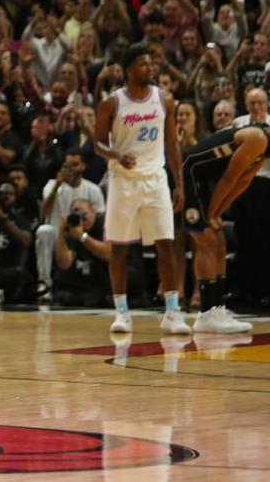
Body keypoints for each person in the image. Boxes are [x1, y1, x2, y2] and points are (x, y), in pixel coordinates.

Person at [93, 46, 189, 334]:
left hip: (156, 179)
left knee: (166, 244)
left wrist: (179, 184)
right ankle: (122, 312)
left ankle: (172, 312)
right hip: (123, 180)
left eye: (151, 64)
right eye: (143, 64)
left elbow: (172, 144)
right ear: (128, 69)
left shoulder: (164, 99)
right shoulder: (112, 103)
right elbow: (97, 143)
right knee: (120, 248)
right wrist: (116, 155)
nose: (150, 69)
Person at [181, 119, 270, 332]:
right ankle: (206, 314)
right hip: (186, 175)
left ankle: (216, 309)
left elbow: (242, 182)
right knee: (208, 241)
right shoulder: (257, 138)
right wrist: (211, 213)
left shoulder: (263, 149)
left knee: (219, 241)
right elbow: (228, 178)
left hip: (199, 181)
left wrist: (217, 212)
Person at [229, 88, 270, 310]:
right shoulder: (238, 123)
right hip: (242, 186)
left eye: (260, 102)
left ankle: (266, 292)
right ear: (245, 103)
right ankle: (244, 291)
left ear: (267, 103)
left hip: (266, 185)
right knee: (243, 238)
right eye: (252, 103)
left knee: (265, 240)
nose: (257, 107)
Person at [34, 150, 105, 301]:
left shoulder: (93, 189)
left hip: (82, 236)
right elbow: (44, 213)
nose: (71, 168)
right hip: (58, 237)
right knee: (43, 230)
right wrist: (57, 185)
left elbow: (100, 219)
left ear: (83, 166)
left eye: (75, 164)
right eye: (67, 165)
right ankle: (45, 285)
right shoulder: (52, 185)